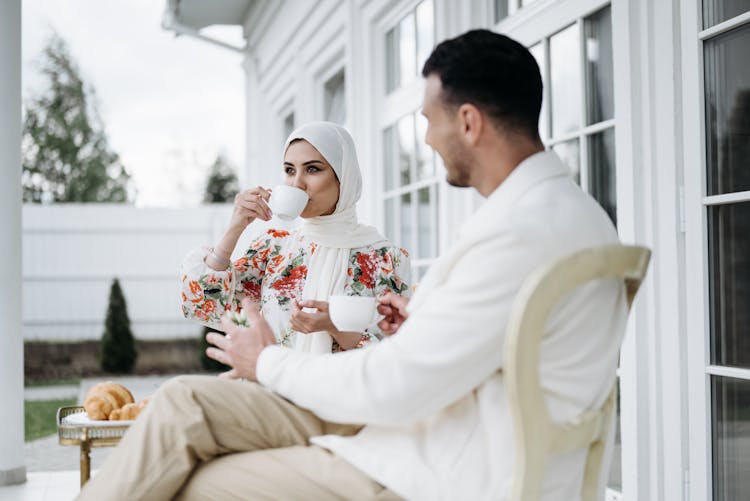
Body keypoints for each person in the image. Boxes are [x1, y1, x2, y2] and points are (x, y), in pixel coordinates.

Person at [78, 29, 626, 501]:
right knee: (182, 401)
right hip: (407, 421)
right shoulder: (567, 215)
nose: (429, 140)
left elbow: (398, 382)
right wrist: (418, 323)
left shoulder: (514, 231)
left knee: (193, 479)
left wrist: (268, 360)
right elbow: (477, 350)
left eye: (429, 122)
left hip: (421, 460)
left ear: (468, 122)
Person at [180, 121, 411, 353]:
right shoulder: (275, 248)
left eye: (312, 169)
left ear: (344, 176)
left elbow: (396, 356)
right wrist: (235, 228)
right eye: (290, 170)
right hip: (268, 385)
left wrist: (335, 327)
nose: (296, 184)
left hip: (340, 387)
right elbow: (205, 306)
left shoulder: (385, 259)